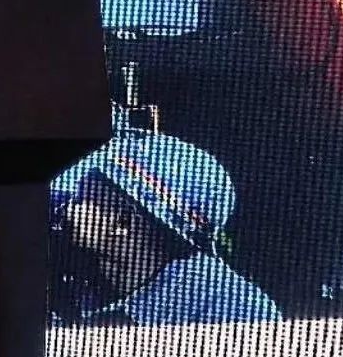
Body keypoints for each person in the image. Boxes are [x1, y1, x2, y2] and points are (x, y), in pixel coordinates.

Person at [50, 111, 282, 326]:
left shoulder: (230, 308)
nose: (70, 202)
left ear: (122, 222)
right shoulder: (87, 275)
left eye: (84, 193)